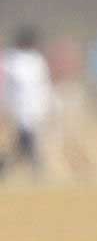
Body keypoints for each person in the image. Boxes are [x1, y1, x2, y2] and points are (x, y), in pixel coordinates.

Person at [3, 26, 53, 175]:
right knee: (27, 139)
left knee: (25, 140)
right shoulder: (13, 60)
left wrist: (48, 104)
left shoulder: (36, 60)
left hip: (35, 107)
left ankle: (7, 167)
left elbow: (44, 84)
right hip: (20, 108)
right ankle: (36, 166)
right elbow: (10, 86)